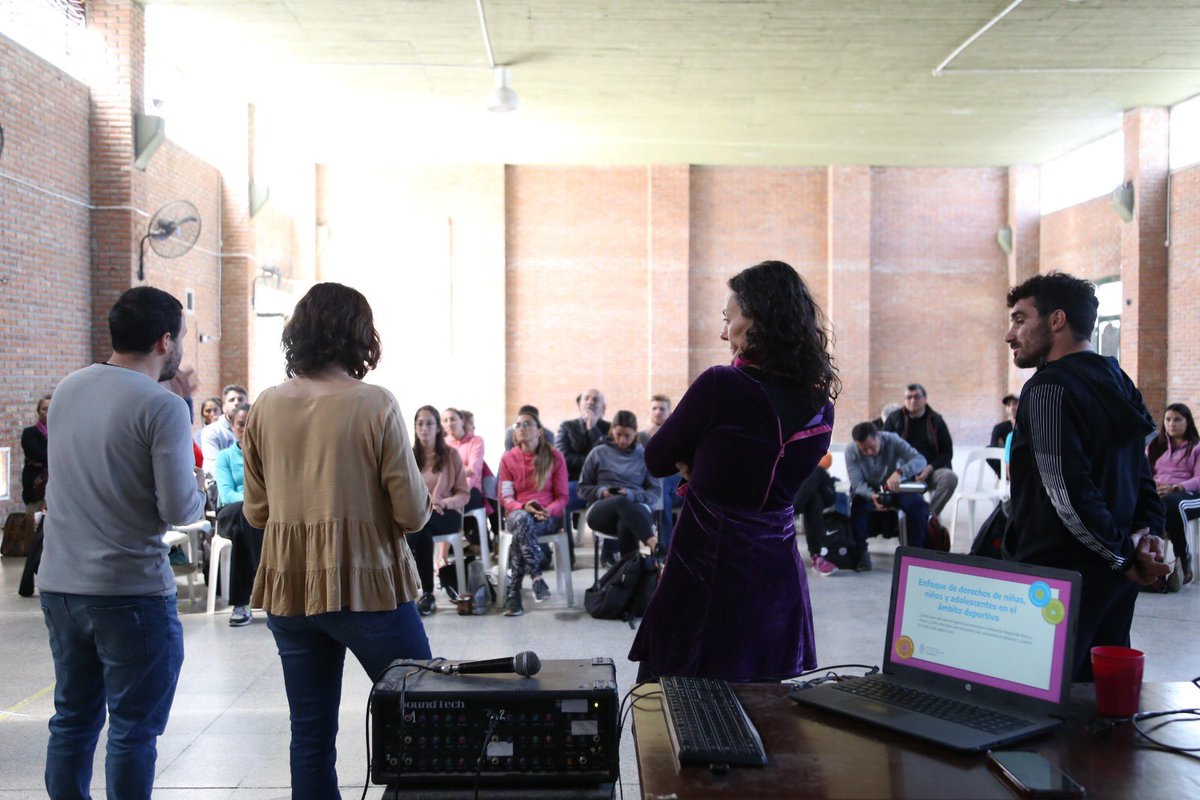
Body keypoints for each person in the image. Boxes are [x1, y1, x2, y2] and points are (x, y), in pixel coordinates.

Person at [241, 282, 432, 797]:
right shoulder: (375, 405)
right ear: (359, 336)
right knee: (423, 719)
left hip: (290, 590)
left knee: (310, 737)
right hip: (368, 588)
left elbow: (257, 513)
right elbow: (412, 514)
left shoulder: (262, 406)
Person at [631, 260, 838, 681]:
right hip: (776, 577)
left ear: (759, 320)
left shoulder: (722, 386)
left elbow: (656, 458)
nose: (724, 333)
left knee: (670, 716)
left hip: (709, 571)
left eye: (730, 319)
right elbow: (769, 476)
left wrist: (700, 465)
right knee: (761, 716)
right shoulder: (822, 406)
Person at [38, 286, 206, 800]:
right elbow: (179, 509)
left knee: (71, 719)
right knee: (133, 731)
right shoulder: (163, 406)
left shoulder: (68, 388)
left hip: (61, 584)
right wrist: (204, 495)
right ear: (165, 342)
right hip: (129, 589)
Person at [1003, 272, 1168, 681]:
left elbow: (1068, 493)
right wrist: (1147, 538)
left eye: (1020, 319)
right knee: (1099, 707)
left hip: (1058, 581)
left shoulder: (1046, 389)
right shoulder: (1118, 379)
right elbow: (1142, 471)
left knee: (1044, 703)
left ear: (1056, 320)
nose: (1010, 334)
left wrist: (1124, 557)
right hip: (1113, 577)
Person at [498, 410, 569, 616]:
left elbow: (563, 497)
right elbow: (506, 497)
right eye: (518, 425)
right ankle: (537, 577)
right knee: (522, 520)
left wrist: (548, 511)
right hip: (518, 513)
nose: (521, 428)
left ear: (539, 431)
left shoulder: (555, 457)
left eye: (527, 424)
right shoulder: (508, 459)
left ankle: (515, 596)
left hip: (548, 517)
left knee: (522, 530)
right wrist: (522, 507)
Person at [579, 410, 663, 559]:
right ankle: (653, 542)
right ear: (612, 430)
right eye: (618, 434)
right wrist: (602, 492)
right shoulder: (598, 453)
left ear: (635, 433)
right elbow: (582, 488)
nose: (622, 440)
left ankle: (628, 576)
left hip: (637, 510)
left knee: (626, 521)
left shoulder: (644, 455)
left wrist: (631, 494)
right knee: (619, 501)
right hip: (602, 510)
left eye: (627, 436)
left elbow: (656, 493)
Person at [411, 404, 471, 615]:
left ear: (438, 428)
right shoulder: (409, 457)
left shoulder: (451, 455)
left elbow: (464, 494)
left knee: (416, 528)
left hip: (447, 514)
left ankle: (402, 587)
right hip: (421, 516)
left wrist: (443, 503)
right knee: (422, 531)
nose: (424, 428)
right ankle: (427, 594)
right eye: (420, 423)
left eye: (429, 423)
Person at [846, 422, 929, 568]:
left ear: (878, 436)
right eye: (863, 450)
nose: (868, 453)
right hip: (868, 488)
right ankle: (861, 552)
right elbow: (857, 484)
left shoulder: (893, 440)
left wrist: (900, 472)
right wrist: (871, 495)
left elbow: (920, 460)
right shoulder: (851, 451)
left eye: (871, 447)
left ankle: (916, 555)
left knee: (918, 505)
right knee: (857, 505)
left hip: (895, 485)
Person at [214, 402, 265, 627]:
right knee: (243, 517)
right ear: (233, 427)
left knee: (242, 531)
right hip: (230, 512)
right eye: (241, 424)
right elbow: (226, 494)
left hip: (255, 518)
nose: (245, 429)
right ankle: (264, 581)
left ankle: (241, 604)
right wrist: (253, 499)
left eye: (250, 424)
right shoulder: (225, 457)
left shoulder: (267, 455)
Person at [883, 384, 957, 526]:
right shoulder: (894, 418)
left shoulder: (936, 420)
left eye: (916, 397)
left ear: (925, 399)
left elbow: (947, 452)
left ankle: (927, 516)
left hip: (929, 470)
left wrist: (930, 468)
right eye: (908, 397)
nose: (912, 400)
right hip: (900, 472)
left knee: (950, 478)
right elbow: (884, 446)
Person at [1147, 403, 1200, 586]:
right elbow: (1143, 474)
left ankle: (1183, 560)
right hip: (1162, 496)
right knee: (1151, 505)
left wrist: (1176, 487)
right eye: (1168, 419)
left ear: (1188, 422)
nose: (1172, 424)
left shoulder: (1196, 448)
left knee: (1173, 503)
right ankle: (1156, 568)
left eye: (1177, 419)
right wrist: (1153, 486)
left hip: (1191, 496)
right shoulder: (1154, 447)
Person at [442, 406, 488, 541]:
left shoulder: (476, 441)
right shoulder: (442, 444)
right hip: (447, 490)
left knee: (448, 506)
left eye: (452, 419)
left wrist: (460, 490)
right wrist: (462, 469)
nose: (449, 423)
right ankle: (444, 554)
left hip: (471, 490)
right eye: (445, 420)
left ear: (462, 421)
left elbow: (473, 471)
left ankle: (449, 550)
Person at [794, 452, 838, 574]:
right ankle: (816, 555)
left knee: (818, 471)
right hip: (807, 493)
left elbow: (826, 460)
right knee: (814, 499)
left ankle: (792, 512)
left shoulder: (818, 449)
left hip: (827, 491)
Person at [200, 383, 248, 475]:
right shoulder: (211, 431)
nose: (236, 403)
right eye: (231, 400)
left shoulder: (255, 429)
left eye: (241, 399)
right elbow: (214, 467)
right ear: (224, 407)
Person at [21, 393, 51, 509]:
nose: (47, 412)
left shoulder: (61, 433)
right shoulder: (30, 433)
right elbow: (35, 454)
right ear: (38, 411)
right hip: (36, 491)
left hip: (57, 491)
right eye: (44, 409)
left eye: (51, 408)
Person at [987, 394, 1019, 477]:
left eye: (1015, 404)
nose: (1012, 408)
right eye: (1008, 405)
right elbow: (993, 447)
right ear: (1006, 408)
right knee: (989, 450)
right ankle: (1005, 476)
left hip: (1021, 461)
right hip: (1005, 464)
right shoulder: (999, 428)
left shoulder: (1027, 426)